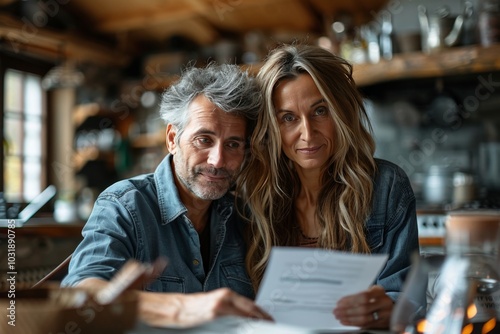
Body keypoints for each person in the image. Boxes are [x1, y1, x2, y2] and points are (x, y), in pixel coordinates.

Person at [61, 63, 271, 327]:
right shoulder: (124, 205)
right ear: (172, 138)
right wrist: (181, 308)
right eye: (204, 140)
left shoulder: (246, 215)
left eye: (233, 144)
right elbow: (82, 293)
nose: (218, 160)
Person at [235, 44, 424, 329]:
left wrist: (390, 308)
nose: (307, 134)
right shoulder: (250, 194)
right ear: (270, 127)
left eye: (320, 111)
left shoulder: (386, 186)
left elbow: (407, 300)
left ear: (342, 112)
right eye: (288, 118)